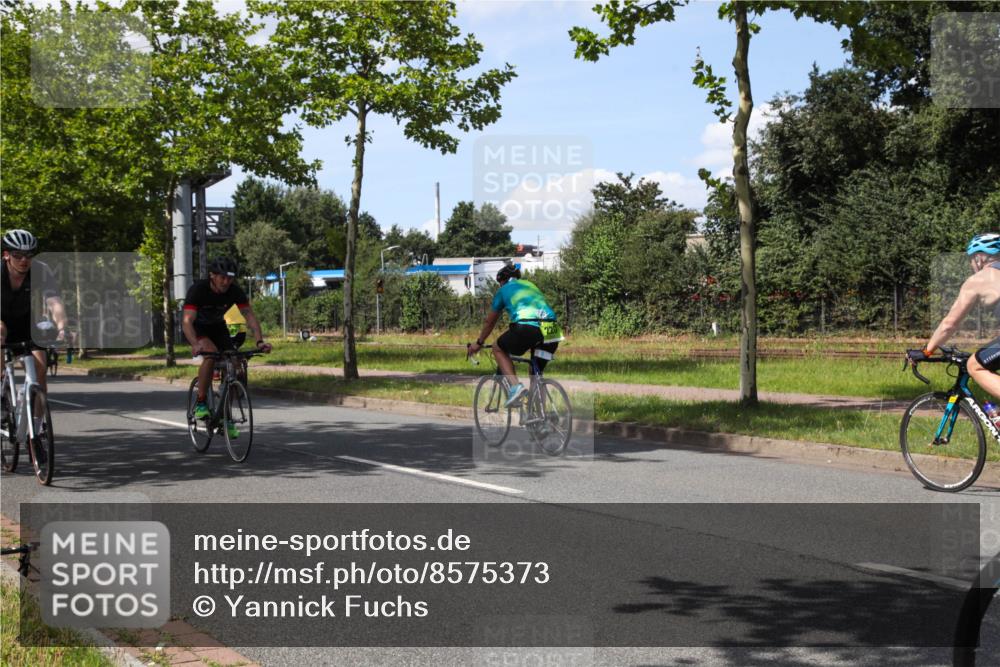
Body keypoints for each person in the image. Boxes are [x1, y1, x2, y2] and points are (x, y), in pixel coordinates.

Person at [182, 257, 270, 437]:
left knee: (237, 366)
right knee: (211, 355)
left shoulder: (234, 292)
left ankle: (225, 415)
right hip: (198, 329)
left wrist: (259, 341)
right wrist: (195, 344)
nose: (226, 282)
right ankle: (200, 402)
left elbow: (249, 316)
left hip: (218, 329)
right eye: (222, 277)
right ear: (212, 276)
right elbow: (187, 321)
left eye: (230, 278)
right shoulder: (198, 290)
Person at [909, 233, 1000, 399]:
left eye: (971, 259)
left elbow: (949, 324)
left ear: (979, 257)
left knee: (975, 366)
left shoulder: (978, 280)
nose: (971, 264)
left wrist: (927, 351)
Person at [468, 262, 564, 407]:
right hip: (552, 328)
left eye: (499, 283)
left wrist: (479, 343)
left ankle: (515, 387)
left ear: (503, 280)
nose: (500, 286)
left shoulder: (503, 290)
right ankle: (540, 419)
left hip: (527, 326)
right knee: (536, 375)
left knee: (497, 348)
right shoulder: (531, 285)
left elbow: (489, 322)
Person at [0, 229, 69, 394]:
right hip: (1, 322)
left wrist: (62, 328)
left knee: (40, 369)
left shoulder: (41, 270)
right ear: (6, 255)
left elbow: (54, 302)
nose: (24, 260)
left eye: (29, 255)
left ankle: (37, 419)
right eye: (18, 255)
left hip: (26, 325)